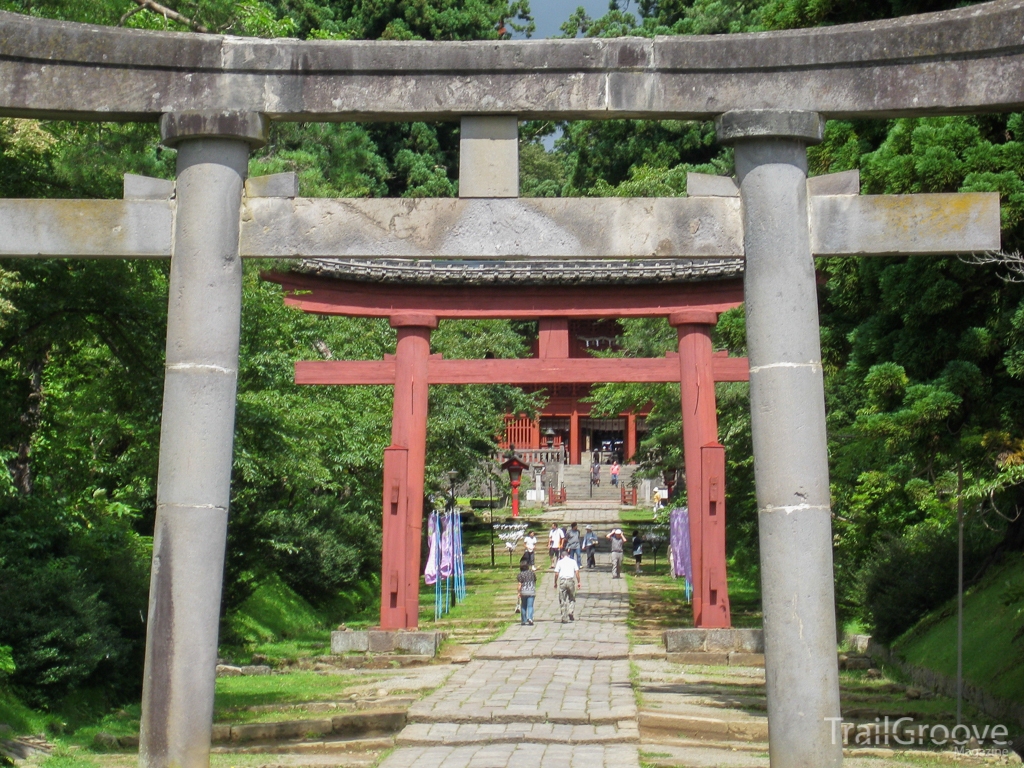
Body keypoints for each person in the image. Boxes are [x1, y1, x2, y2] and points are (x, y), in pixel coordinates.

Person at [553, 548, 581, 622]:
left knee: (562, 599)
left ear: (561, 556)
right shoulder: (573, 561)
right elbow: (577, 572)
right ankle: (571, 611)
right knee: (572, 598)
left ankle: (564, 617)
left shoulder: (560, 562)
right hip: (570, 580)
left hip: (562, 581)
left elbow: (556, 573)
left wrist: (555, 582)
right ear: (568, 555)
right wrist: (579, 582)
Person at [517, 556, 536, 625]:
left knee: (523, 606)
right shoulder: (532, 573)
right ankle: (530, 618)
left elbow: (519, 585)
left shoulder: (520, 574)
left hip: (523, 592)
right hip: (531, 591)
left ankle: (523, 620)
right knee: (530, 606)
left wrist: (518, 593)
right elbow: (534, 581)